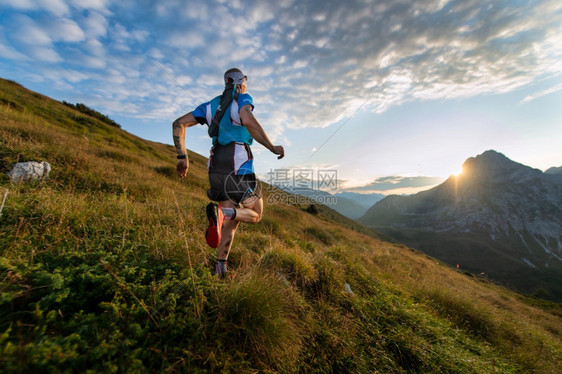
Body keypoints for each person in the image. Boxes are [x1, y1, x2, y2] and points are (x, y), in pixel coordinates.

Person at [172, 68, 284, 279]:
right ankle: (222, 214)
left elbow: (178, 123)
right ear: (241, 82)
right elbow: (248, 120)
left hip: (215, 167)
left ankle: (220, 269)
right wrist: (271, 146)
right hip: (237, 167)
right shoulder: (242, 97)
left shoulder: (209, 106)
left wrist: (182, 156)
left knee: (231, 221)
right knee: (256, 213)